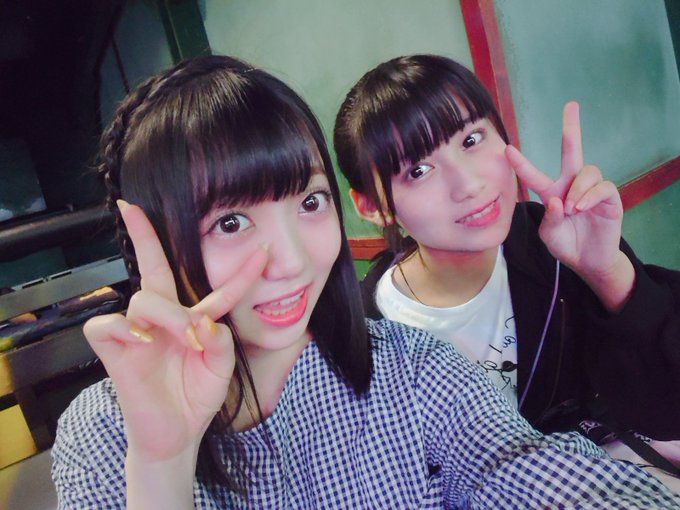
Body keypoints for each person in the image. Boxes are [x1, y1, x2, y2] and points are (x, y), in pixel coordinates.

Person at [51, 55, 680, 509]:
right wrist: (162, 467)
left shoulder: (413, 368)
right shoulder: (105, 433)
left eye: (309, 202)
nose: (291, 261)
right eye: (231, 222)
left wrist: (604, 271)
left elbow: (530, 469)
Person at [333, 54, 680, 482]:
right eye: (418, 170)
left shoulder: (554, 244)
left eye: (471, 139)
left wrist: (606, 270)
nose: (469, 184)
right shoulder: (368, 338)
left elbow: (666, 411)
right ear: (373, 206)